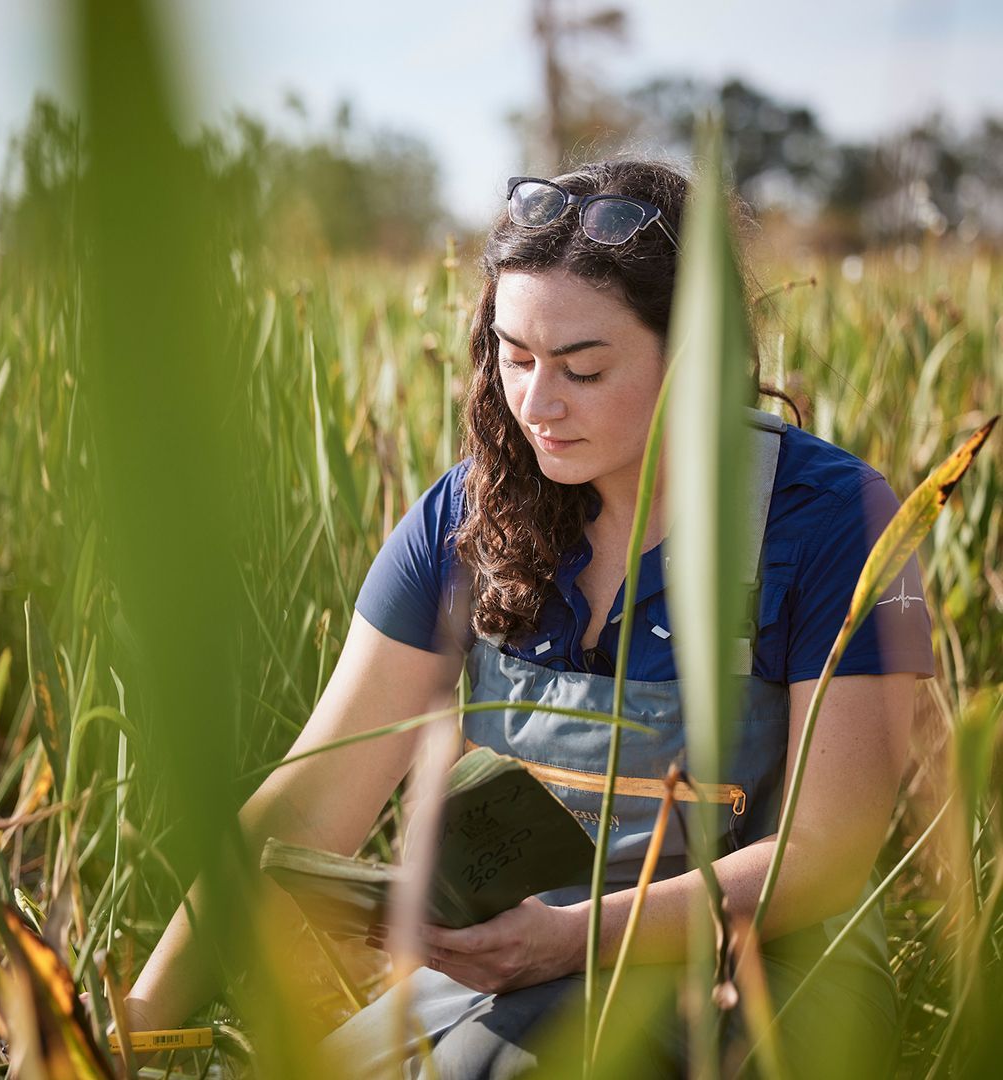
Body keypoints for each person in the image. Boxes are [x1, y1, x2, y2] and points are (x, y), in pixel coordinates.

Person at [125, 160, 935, 1077]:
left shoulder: (834, 520)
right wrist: (135, 1022)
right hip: (512, 970)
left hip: (763, 974)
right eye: (514, 358)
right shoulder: (465, 517)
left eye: (583, 369)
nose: (537, 406)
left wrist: (571, 941)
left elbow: (825, 854)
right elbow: (309, 803)